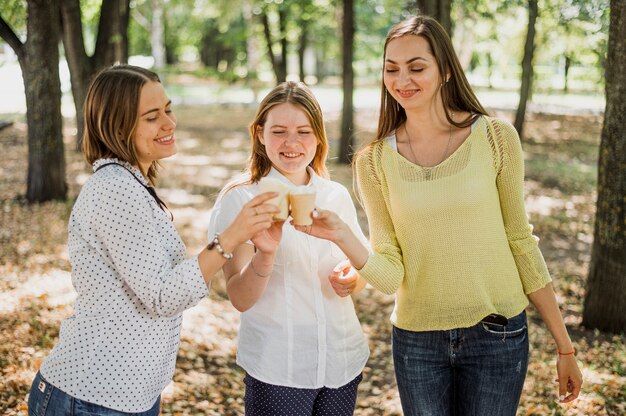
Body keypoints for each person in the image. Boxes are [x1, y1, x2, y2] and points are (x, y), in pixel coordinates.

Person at [294, 15, 583, 416]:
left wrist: (564, 345)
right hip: (417, 342)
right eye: (391, 69)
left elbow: (521, 241)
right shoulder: (374, 161)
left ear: (445, 70)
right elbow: (391, 273)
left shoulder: (495, 138)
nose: (402, 79)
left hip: (496, 334)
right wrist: (342, 235)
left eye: (417, 67)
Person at [27, 64, 279, 416]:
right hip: (90, 398)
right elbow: (163, 295)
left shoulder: (132, 186)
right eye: (151, 117)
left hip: (128, 396)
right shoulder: (114, 190)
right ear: (118, 126)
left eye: (168, 109)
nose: (169, 123)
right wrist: (232, 237)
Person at [207, 81, 370, 416]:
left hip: (342, 362)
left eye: (304, 131)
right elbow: (239, 297)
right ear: (259, 133)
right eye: (279, 131)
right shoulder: (240, 197)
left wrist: (352, 279)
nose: (292, 143)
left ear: (319, 137)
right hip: (279, 369)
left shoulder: (334, 195)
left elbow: (363, 268)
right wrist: (266, 254)